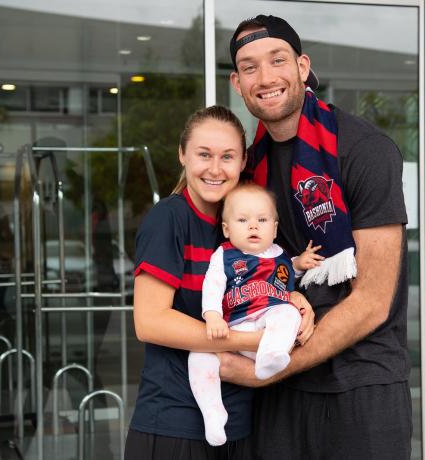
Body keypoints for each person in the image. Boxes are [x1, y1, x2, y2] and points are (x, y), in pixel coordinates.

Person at [221, 14, 412, 459]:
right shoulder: (249, 170)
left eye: (278, 60)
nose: (265, 78)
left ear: (303, 67)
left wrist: (265, 370)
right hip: (279, 391)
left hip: (360, 389)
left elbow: (372, 301)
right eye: (249, 67)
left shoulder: (365, 150)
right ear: (237, 82)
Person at [125, 105, 315, 460]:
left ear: (243, 161)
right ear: (183, 155)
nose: (215, 168)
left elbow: (265, 283)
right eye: (203, 154)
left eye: (227, 156)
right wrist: (257, 341)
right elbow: (149, 322)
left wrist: (295, 300)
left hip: (237, 423)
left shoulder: (241, 224)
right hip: (175, 424)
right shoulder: (170, 218)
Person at [189, 183, 323, 446]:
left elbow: (287, 271)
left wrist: (300, 262)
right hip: (237, 327)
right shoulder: (225, 255)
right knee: (198, 356)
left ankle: (270, 357)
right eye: (243, 220)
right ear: (227, 229)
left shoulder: (280, 255)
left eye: (262, 220)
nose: (253, 226)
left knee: (288, 312)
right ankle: (213, 412)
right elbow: (213, 284)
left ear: (274, 228)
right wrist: (213, 315)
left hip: (268, 323)